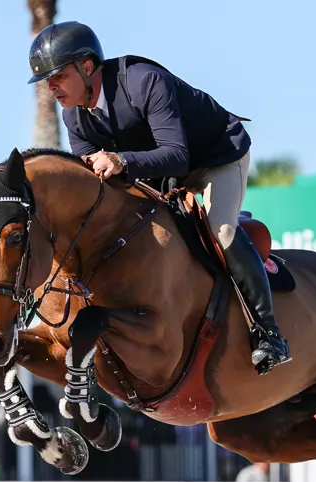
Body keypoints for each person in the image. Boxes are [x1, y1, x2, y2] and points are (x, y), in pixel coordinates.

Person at [26, 21, 290, 375]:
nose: (51, 86)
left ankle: (268, 333)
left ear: (87, 67)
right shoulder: (74, 117)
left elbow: (177, 155)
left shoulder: (144, 81)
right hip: (157, 173)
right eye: (46, 79)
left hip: (215, 158)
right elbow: (103, 188)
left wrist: (120, 161)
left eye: (58, 75)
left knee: (221, 230)